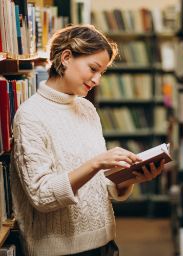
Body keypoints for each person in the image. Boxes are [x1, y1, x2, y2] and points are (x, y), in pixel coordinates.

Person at [10, 24, 165, 256]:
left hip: (105, 242)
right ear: (66, 58)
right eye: (93, 69)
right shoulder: (30, 116)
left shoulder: (87, 109)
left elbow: (99, 185)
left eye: (101, 72)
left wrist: (129, 178)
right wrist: (96, 163)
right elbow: (41, 196)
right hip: (61, 251)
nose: (97, 80)